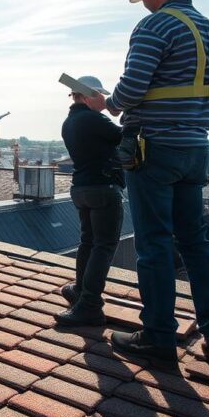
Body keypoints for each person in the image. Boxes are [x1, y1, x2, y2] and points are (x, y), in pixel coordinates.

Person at [86, 0, 209, 365]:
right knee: (194, 241)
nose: (144, 2)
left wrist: (106, 103)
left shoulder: (155, 25)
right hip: (194, 148)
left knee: (153, 244)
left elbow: (132, 90)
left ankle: (157, 336)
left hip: (153, 148)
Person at [55, 76, 123, 327]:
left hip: (81, 189)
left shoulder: (69, 122)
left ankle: (80, 290)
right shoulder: (93, 119)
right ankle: (90, 304)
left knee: (88, 241)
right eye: (98, 95)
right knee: (104, 245)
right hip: (102, 187)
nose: (102, 100)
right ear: (85, 95)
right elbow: (123, 135)